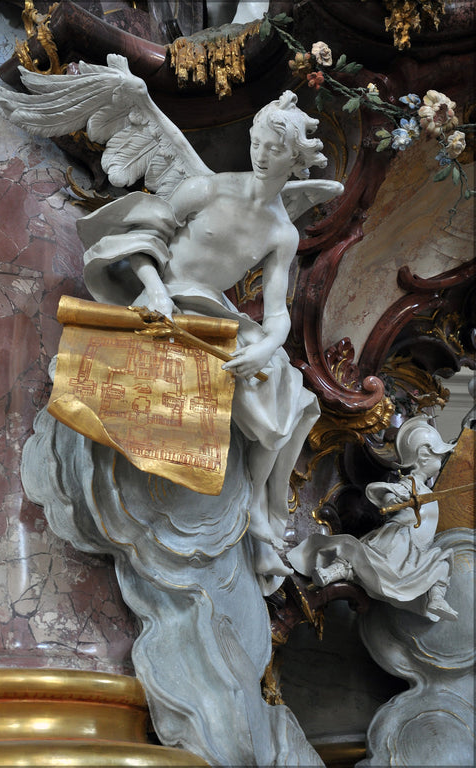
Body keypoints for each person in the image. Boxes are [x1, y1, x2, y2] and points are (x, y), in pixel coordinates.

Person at [77, 92, 340, 581]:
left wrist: (264, 345)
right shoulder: (207, 188)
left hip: (213, 312)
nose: (260, 155)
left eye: (273, 150)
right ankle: (253, 517)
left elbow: (279, 313)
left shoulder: (282, 232)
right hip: (165, 297)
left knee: (287, 397)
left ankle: (259, 507)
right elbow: (143, 241)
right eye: (257, 143)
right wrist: (154, 290)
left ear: (294, 159)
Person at [288, 415, 458, 621]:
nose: (441, 461)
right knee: (363, 559)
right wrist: (398, 496)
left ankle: (436, 598)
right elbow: (380, 493)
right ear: (423, 457)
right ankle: (333, 572)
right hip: (398, 540)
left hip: (416, 552)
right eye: (439, 456)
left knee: (443, 561)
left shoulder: (427, 490)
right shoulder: (410, 485)